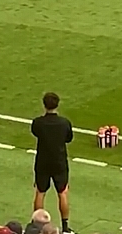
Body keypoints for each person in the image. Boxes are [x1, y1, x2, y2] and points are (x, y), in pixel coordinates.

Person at [31, 92, 75, 234]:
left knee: (40, 191)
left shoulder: (38, 122)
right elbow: (69, 138)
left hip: (42, 161)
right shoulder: (64, 123)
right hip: (59, 161)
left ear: (44, 105)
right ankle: (65, 226)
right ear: (57, 104)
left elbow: (35, 133)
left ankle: (37, 224)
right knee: (62, 193)